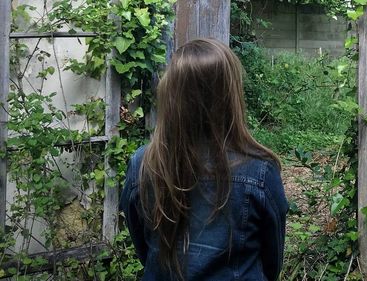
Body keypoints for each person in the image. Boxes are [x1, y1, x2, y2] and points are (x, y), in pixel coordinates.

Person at [120, 38, 289, 281]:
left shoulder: (142, 164)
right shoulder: (259, 171)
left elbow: (144, 247)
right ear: (231, 96)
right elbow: (272, 259)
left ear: (171, 94)